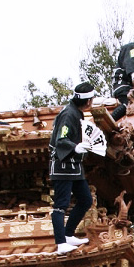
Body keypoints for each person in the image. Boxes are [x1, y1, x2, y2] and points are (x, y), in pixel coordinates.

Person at [49, 82, 96, 254]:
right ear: (88, 101)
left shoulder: (76, 113)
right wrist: (75, 147)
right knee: (61, 204)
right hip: (62, 165)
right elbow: (61, 140)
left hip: (74, 166)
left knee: (85, 200)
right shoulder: (69, 114)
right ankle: (60, 242)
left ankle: (68, 234)